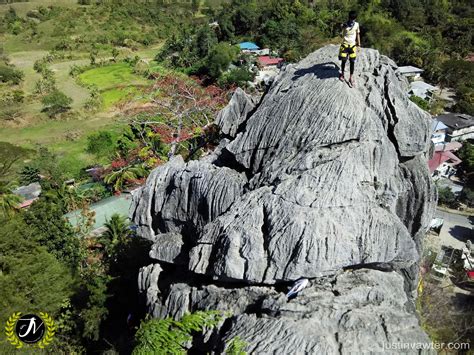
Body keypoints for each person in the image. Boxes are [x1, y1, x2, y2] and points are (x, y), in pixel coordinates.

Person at [339, 11, 361, 87]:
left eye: (353, 19)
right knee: (344, 60)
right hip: (345, 45)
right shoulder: (345, 25)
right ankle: (342, 74)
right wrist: (342, 27)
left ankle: (351, 77)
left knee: (352, 62)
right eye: (351, 18)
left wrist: (359, 44)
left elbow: (358, 34)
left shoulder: (357, 25)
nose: (352, 20)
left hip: (352, 46)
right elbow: (341, 28)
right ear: (349, 18)